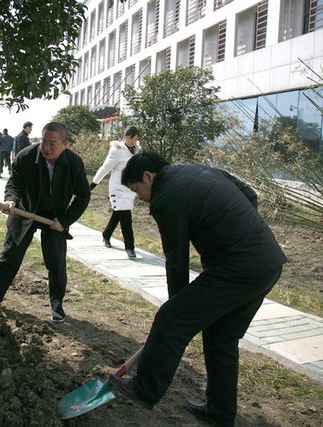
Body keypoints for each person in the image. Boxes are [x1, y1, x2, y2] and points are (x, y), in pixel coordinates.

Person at [107, 152, 287, 427]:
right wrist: (238, 231)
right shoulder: (201, 170)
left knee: (171, 319)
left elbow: (176, 257)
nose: (139, 198)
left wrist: (177, 308)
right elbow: (250, 196)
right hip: (267, 263)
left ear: (148, 176)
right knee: (221, 339)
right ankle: (220, 412)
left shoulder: (166, 197)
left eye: (136, 190)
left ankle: (144, 388)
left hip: (237, 269)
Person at [0, 122, 91, 323]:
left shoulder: (74, 163)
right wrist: (11, 199)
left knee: (56, 262)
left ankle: (57, 306)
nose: (47, 148)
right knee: (9, 256)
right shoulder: (26, 156)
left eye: (53, 143)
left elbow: (83, 196)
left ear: (65, 144)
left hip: (55, 218)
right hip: (25, 211)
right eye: (44, 141)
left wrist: (65, 220)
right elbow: (14, 184)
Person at [90, 126, 141, 258]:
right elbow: (105, 168)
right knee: (125, 217)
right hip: (117, 189)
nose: (134, 141)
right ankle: (130, 247)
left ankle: (106, 235)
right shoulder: (117, 150)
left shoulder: (137, 150)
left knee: (118, 214)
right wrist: (93, 183)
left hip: (130, 190)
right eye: (132, 138)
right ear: (125, 136)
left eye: (136, 138)